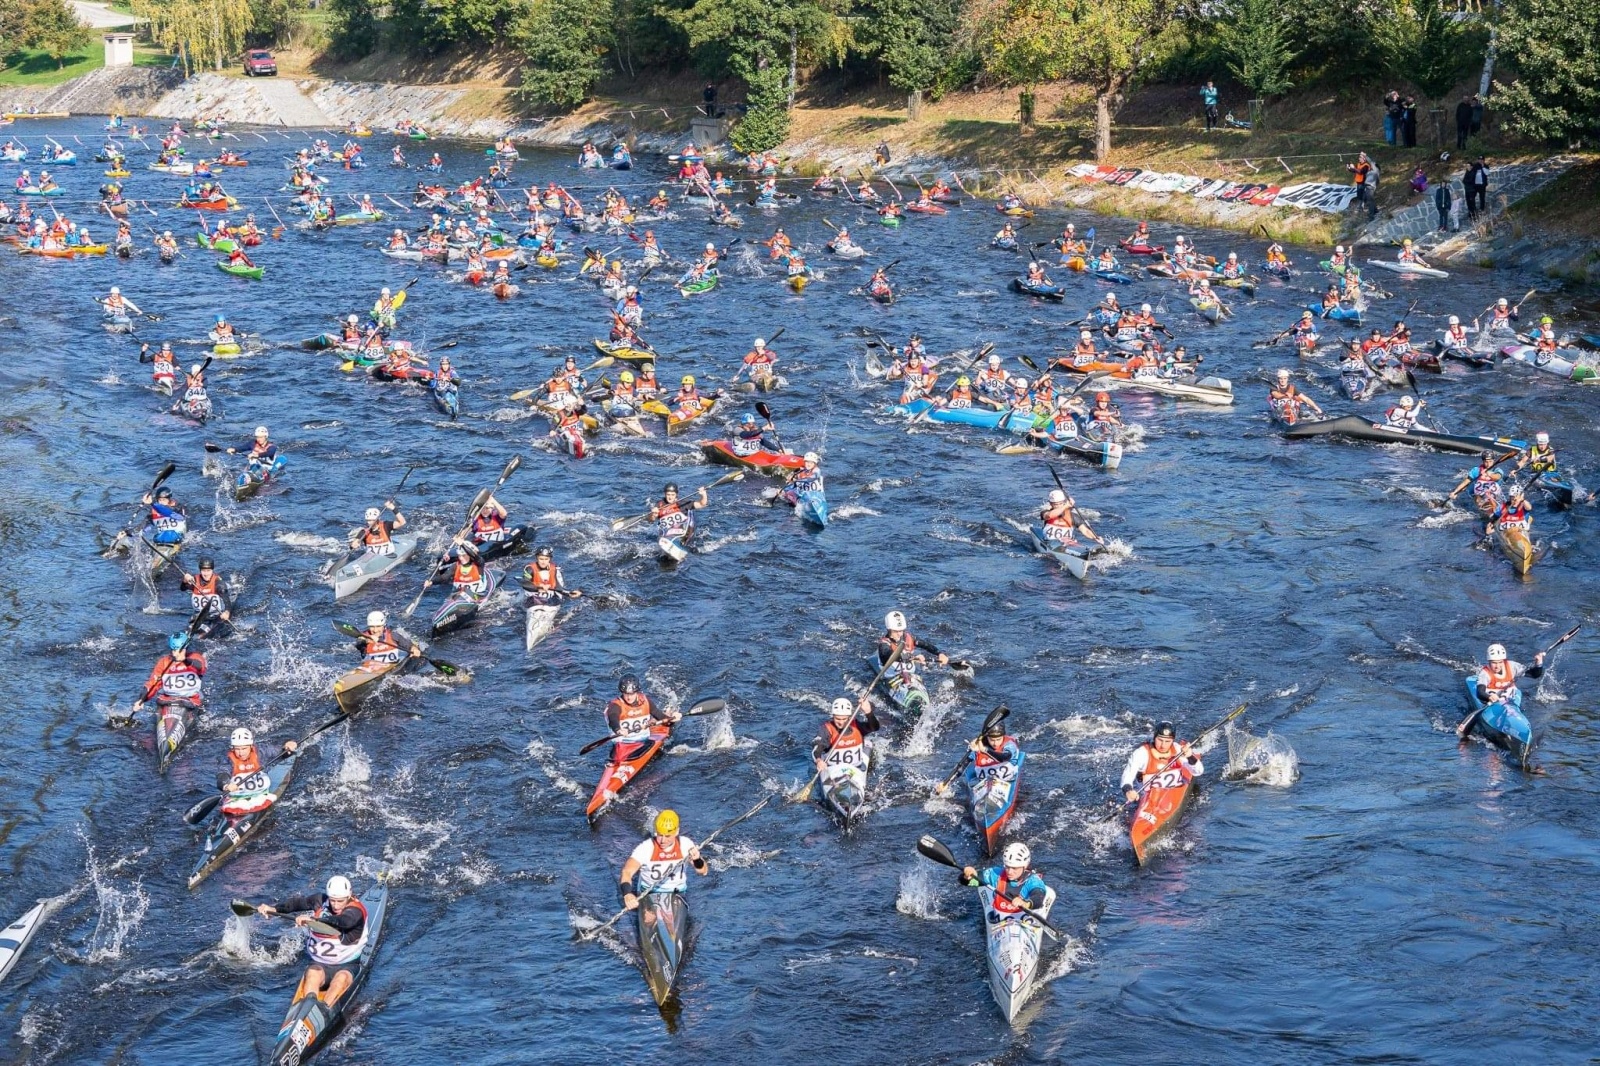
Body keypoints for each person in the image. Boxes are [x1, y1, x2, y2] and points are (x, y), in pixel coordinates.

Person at [254, 875, 375, 1011]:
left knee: (340, 980)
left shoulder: (356, 911)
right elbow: (297, 904)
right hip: (319, 964)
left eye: (340, 901)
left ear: (349, 896)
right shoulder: (320, 900)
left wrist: (313, 920)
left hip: (347, 965)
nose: (335, 905)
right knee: (312, 974)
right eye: (332, 900)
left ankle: (325, 1011)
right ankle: (308, 1007)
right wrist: (274, 909)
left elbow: (342, 921)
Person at [598, 676, 683, 809]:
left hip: (643, 744)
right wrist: (618, 729)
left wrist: (672, 719)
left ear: (637, 692)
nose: (629, 697)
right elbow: (613, 719)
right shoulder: (615, 705)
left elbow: (660, 716)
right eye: (626, 694)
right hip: (622, 746)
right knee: (618, 755)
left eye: (632, 694)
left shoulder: (646, 701)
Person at [620, 809, 707, 912]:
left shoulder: (685, 845)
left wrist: (697, 860)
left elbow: (703, 872)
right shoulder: (645, 848)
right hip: (649, 893)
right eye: (660, 835)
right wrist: (627, 894)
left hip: (677, 894)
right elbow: (627, 872)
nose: (662, 840)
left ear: (677, 832)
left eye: (667, 836)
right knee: (650, 918)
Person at [1461, 643, 1546, 735]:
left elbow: (1534, 675)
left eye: (1500, 662)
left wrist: (1539, 664)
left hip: (1510, 697)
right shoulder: (1485, 673)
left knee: (1516, 694)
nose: (1497, 666)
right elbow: (1480, 692)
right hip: (1492, 699)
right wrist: (1489, 697)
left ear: (1504, 661)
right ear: (1489, 661)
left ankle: (1515, 719)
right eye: (1494, 662)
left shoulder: (1512, 666)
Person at [217, 727, 297, 817]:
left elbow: (282, 752)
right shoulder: (227, 759)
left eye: (244, 748)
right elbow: (222, 774)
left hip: (260, 795)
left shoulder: (261, 751)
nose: (241, 753)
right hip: (237, 799)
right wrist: (226, 785)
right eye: (237, 749)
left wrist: (288, 745)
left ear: (251, 746)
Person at [958, 843, 1050, 919]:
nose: (1009, 872)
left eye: (1014, 868)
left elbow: (1038, 898)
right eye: (1007, 867)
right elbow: (966, 882)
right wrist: (967, 876)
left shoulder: (1033, 881)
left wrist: (1025, 903)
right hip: (1000, 919)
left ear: (1025, 866)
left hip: (1024, 918)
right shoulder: (996, 874)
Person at [1121, 721, 1203, 803]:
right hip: (1149, 798)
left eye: (1167, 741)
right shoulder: (1141, 753)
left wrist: (1190, 757)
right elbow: (1127, 776)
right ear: (1154, 737)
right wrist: (1128, 791)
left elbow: (1198, 772)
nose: (1163, 745)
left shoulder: (1178, 750)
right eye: (1160, 740)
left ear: (1173, 740)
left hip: (1174, 794)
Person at [134, 632, 206, 717]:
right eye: (173, 650)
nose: (175, 654)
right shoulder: (164, 662)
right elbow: (153, 684)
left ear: (185, 649)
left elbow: (200, 667)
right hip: (168, 700)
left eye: (177, 650)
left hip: (191, 700)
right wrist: (141, 699)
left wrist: (185, 660)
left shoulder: (196, 657)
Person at [813, 697, 879, 776]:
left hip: (856, 769)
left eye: (844, 719)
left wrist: (868, 712)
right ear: (833, 716)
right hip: (833, 771)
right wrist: (819, 761)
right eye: (837, 719)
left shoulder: (856, 726)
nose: (841, 722)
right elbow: (817, 749)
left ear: (849, 717)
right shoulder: (826, 730)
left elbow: (874, 728)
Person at [877, 610, 948, 669]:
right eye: (895, 631)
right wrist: (912, 657)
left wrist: (940, 653)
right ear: (889, 630)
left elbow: (926, 645)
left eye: (901, 631)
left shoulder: (909, 638)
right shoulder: (884, 644)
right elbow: (889, 654)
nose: (899, 634)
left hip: (907, 671)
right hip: (889, 673)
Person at [1447, 450, 1508, 516]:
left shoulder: (1497, 470)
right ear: (1483, 461)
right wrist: (1455, 492)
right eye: (1486, 462)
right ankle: (1489, 513)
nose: (1488, 464)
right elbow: (1465, 483)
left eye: (1490, 461)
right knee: (1478, 498)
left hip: (1494, 494)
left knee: (1493, 500)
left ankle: (1498, 511)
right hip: (1480, 495)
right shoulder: (1476, 470)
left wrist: (1489, 474)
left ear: (1493, 460)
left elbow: (1497, 477)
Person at [353, 609, 418, 668]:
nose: (375, 630)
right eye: (372, 627)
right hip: (370, 669)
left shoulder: (393, 635)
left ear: (383, 626)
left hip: (392, 666)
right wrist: (366, 640)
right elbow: (358, 645)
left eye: (378, 626)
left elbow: (410, 645)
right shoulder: (363, 637)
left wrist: (414, 649)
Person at [181, 556, 231, 625]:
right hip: (199, 615)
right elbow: (183, 588)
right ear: (200, 571)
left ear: (212, 570)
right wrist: (184, 581)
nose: (206, 574)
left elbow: (227, 601)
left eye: (208, 571)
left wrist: (227, 612)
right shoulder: (194, 580)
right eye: (203, 571)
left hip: (216, 615)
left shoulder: (218, 583)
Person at [1348, 152, 1377, 220]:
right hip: (1359, 183)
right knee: (1361, 196)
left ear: (1364, 159)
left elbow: (1361, 172)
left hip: (1364, 183)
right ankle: (1374, 209)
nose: (1359, 158)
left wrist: (1354, 168)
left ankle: (1367, 211)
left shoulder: (1366, 165)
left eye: (1360, 157)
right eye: (1359, 157)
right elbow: (1355, 170)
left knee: (1366, 197)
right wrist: (1349, 168)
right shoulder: (1358, 164)